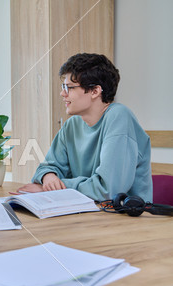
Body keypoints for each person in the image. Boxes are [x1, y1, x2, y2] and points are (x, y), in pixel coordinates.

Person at [17, 53, 152, 202]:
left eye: (70, 87)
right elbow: (46, 168)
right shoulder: (72, 124)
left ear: (95, 91)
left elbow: (108, 190)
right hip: (87, 211)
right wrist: (48, 177)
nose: (63, 93)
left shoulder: (119, 117)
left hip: (127, 219)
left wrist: (53, 187)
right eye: (63, 87)